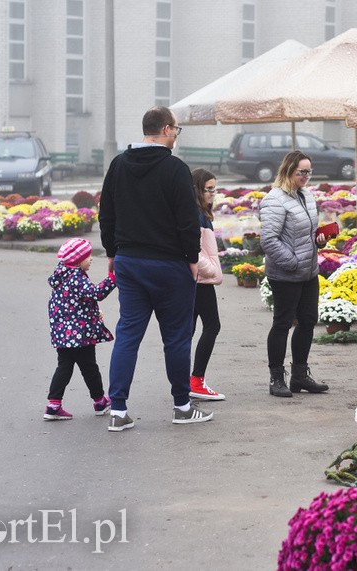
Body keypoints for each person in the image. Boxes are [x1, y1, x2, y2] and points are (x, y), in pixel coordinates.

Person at [99, 106, 212, 432]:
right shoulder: (175, 168)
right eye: (176, 129)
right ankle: (182, 406)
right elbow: (187, 219)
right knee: (176, 337)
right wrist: (192, 258)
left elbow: (107, 213)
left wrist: (112, 252)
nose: (176, 134)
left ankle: (118, 410)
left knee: (127, 334)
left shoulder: (119, 165)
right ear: (165, 129)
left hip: (129, 262)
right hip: (169, 265)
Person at [259, 150, 330, 398]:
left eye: (309, 172)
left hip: (308, 272)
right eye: (302, 172)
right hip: (285, 273)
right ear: (288, 170)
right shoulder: (274, 200)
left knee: (308, 321)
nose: (306, 177)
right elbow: (269, 240)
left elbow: (306, 233)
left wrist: (320, 240)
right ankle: (276, 378)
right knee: (282, 323)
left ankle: (299, 375)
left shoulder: (305, 195)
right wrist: (292, 262)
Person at [44, 238, 116, 420]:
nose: (91, 259)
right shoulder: (76, 277)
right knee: (90, 367)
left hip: (63, 333)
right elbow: (96, 293)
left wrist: (94, 311)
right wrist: (113, 278)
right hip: (79, 335)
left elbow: (74, 301)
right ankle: (100, 401)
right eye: (87, 256)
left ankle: (53, 405)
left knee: (64, 367)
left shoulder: (62, 274)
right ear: (77, 260)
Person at [189, 168, 226, 401]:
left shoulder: (200, 213)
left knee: (188, 330)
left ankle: (187, 381)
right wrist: (211, 269)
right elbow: (191, 250)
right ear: (197, 189)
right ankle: (196, 381)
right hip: (200, 280)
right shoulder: (196, 215)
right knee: (212, 326)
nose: (213, 193)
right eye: (208, 189)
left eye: (214, 189)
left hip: (195, 279)